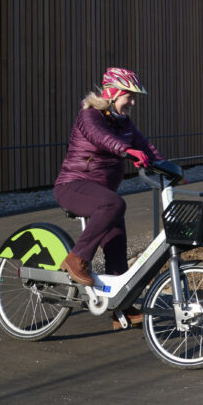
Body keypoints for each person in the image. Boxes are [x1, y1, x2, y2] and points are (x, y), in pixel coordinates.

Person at [54, 67, 164, 330]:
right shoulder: (89, 115)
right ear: (113, 93)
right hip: (73, 186)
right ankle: (76, 258)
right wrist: (126, 149)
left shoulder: (124, 123)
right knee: (114, 204)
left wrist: (169, 167)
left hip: (101, 194)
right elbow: (101, 138)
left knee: (117, 248)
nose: (133, 102)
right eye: (129, 95)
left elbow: (146, 145)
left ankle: (121, 307)